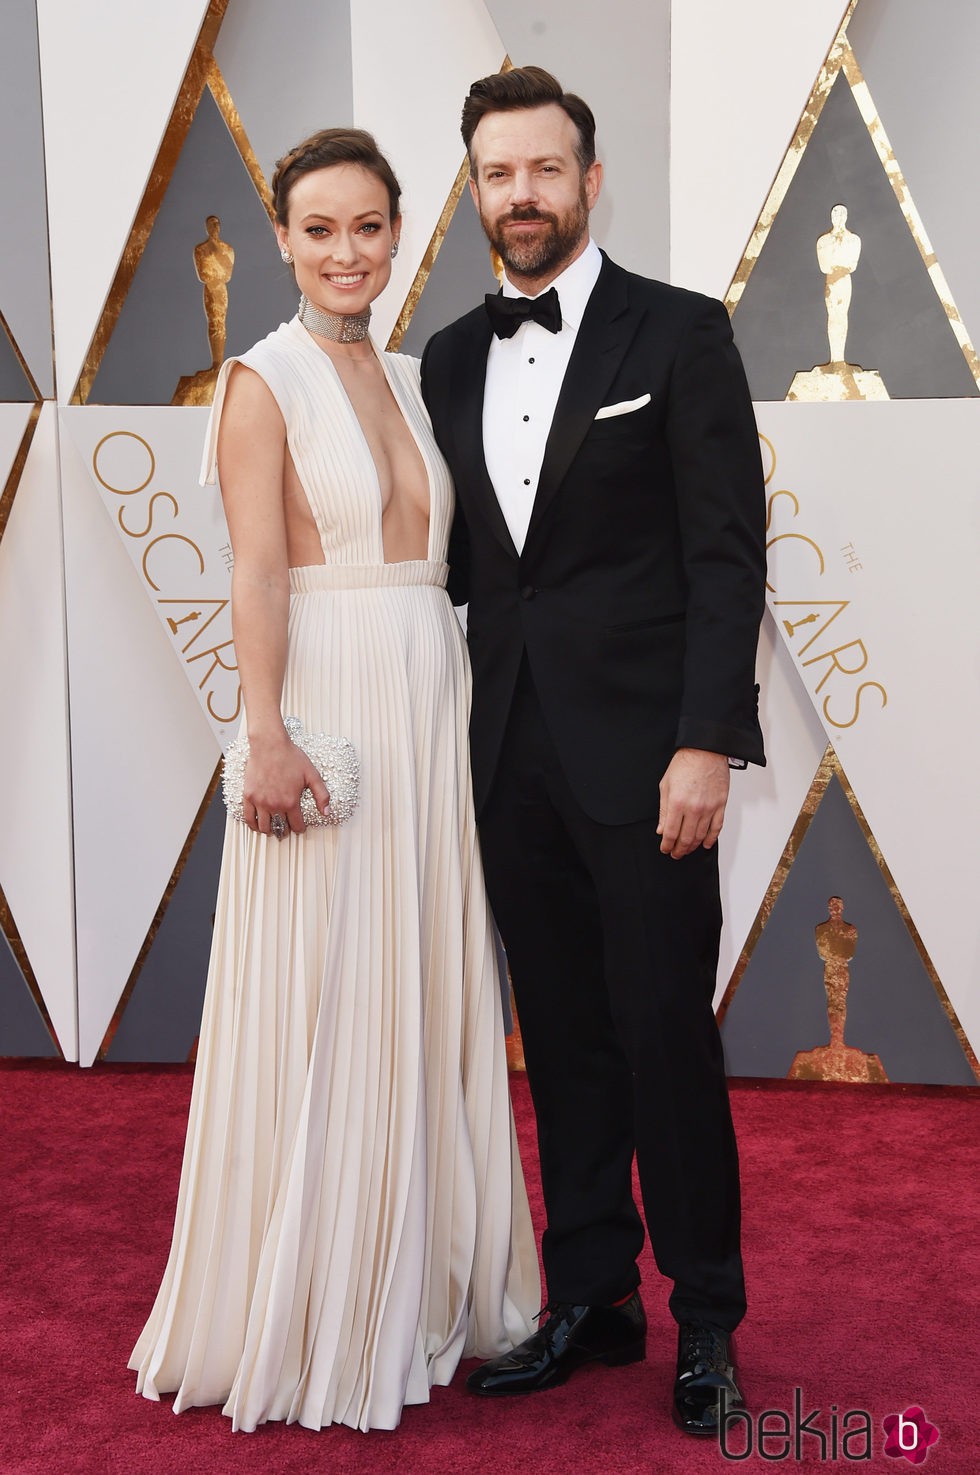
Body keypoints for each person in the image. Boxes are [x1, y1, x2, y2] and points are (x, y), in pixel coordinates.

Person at [129, 128, 539, 1434]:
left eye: (369, 228)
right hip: (330, 702)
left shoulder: (423, 380)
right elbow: (254, 571)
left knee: (423, 978)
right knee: (332, 993)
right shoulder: (262, 380)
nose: (347, 252)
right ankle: (320, 1309)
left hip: (434, 688)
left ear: (398, 233)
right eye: (320, 230)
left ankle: (423, 1282)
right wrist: (263, 733)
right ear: (282, 238)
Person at [420, 67, 767, 1436]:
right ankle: (591, 1294)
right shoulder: (447, 356)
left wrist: (706, 746)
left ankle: (708, 1321)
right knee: (559, 1038)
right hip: (504, 757)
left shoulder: (681, 336)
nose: (522, 196)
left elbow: (727, 557)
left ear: (589, 178)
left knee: (665, 1036)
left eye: (544, 171)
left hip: (647, 762)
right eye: (498, 175)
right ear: (476, 191)